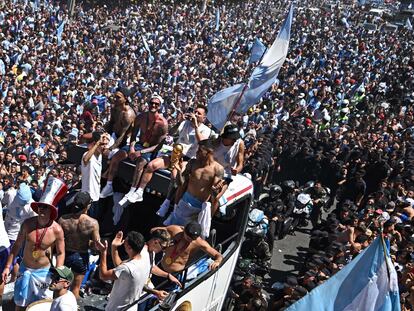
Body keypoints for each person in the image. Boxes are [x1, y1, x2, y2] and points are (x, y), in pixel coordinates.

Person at [125, 104, 211, 206]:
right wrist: (179, 122)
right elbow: (170, 133)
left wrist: (196, 126)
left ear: (204, 118)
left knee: (175, 177)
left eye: (198, 113)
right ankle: (139, 191)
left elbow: (202, 142)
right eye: (195, 112)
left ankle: (167, 203)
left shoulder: (206, 130)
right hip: (174, 154)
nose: (195, 114)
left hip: (187, 159)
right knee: (151, 165)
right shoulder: (185, 123)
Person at [1, 176, 66, 310]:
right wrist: (8, 267)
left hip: (44, 273)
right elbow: (16, 247)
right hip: (25, 270)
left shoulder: (57, 230)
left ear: (52, 211)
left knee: (40, 306)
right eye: (40, 206)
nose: (42, 209)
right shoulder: (27, 224)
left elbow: (60, 253)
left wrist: (59, 271)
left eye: (45, 207)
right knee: (19, 304)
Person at [100, 95, 168, 202]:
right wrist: (132, 147)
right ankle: (108, 185)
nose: (153, 105)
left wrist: (141, 152)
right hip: (138, 145)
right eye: (152, 103)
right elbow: (133, 135)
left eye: (156, 104)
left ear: (159, 106)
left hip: (150, 149)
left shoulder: (163, 124)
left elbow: (158, 146)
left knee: (141, 162)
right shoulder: (140, 117)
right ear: (148, 103)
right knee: (116, 157)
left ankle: (132, 191)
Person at [163, 139, 224, 237]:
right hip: (183, 204)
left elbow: (214, 197)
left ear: (209, 152)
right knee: (170, 233)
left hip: (198, 210)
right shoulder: (192, 163)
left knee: (186, 237)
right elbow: (181, 184)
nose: (197, 153)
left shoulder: (218, 169)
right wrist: (179, 172)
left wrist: (215, 190)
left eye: (200, 151)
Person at [58, 191, 101, 299]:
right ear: (88, 205)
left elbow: (58, 241)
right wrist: (88, 242)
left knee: (62, 285)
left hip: (65, 255)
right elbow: (96, 246)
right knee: (75, 288)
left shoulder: (63, 219)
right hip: (81, 257)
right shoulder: (93, 223)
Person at [97, 231, 150, 311]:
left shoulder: (127, 268)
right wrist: (114, 247)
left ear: (129, 247)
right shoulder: (145, 258)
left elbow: (103, 276)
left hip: (117, 308)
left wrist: (103, 252)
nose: (123, 242)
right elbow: (120, 267)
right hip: (132, 307)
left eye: (125, 241)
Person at [153, 222, 223, 274]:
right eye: (188, 237)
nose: (190, 240)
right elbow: (153, 230)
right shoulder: (174, 230)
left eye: (193, 238)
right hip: (159, 267)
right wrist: (166, 240)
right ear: (184, 231)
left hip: (175, 274)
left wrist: (217, 261)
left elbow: (218, 255)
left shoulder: (199, 242)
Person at [211, 124, 245, 215]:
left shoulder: (239, 143)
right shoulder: (217, 141)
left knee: (216, 195)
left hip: (225, 174)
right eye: (232, 138)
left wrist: (237, 170)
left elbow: (240, 163)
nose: (234, 140)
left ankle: (209, 219)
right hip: (211, 169)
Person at [81, 132, 109, 219]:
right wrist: (97, 143)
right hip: (87, 198)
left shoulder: (99, 156)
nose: (104, 147)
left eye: (105, 144)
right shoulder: (87, 155)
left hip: (96, 197)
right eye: (102, 144)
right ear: (95, 144)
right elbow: (85, 160)